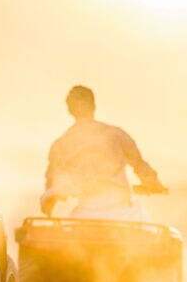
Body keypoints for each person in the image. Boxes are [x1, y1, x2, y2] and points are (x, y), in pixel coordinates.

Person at [41, 85, 167, 221]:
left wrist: (51, 201)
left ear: (70, 110)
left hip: (84, 213)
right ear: (93, 106)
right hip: (122, 211)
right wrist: (154, 185)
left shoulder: (60, 144)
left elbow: (51, 184)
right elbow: (140, 165)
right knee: (150, 233)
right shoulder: (116, 134)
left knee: (66, 234)